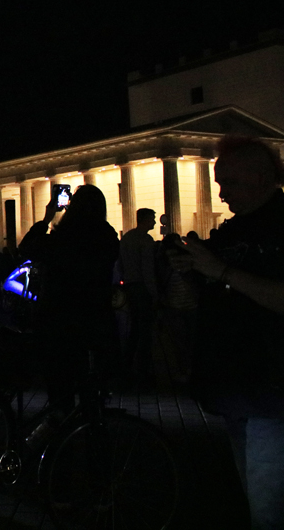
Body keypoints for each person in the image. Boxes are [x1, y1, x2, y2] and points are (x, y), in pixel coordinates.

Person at [169, 136, 284, 529]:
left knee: (268, 510)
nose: (220, 193)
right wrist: (188, 272)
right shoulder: (230, 233)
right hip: (236, 392)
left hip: (274, 394)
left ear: (260, 176)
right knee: (257, 498)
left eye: (228, 182)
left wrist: (220, 272)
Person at [18, 184, 120, 413]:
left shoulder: (61, 238)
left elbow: (26, 248)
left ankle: (60, 441)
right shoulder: (107, 236)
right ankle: (93, 439)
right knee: (92, 397)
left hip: (57, 325)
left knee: (60, 395)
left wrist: (46, 218)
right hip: (94, 324)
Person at [119, 208, 159, 381]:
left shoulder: (127, 238)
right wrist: (155, 293)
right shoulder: (146, 240)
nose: (155, 222)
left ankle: (127, 366)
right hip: (142, 287)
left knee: (134, 328)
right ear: (145, 219)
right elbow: (148, 270)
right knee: (145, 330)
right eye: (152, 219)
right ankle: (143, 369)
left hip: (129, 285)